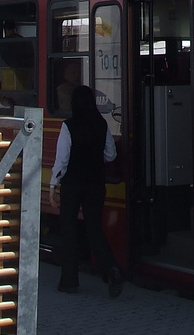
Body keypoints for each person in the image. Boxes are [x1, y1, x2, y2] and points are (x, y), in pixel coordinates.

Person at [49, 84, 123, 296]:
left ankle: (69, 281)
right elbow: (111, 155)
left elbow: (62, 159)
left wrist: (53, 185)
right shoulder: (101, 124)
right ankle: (112, 269)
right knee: (94, 228)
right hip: (96, 184)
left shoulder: (68, 126)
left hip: (72, 184)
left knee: (69, 230)